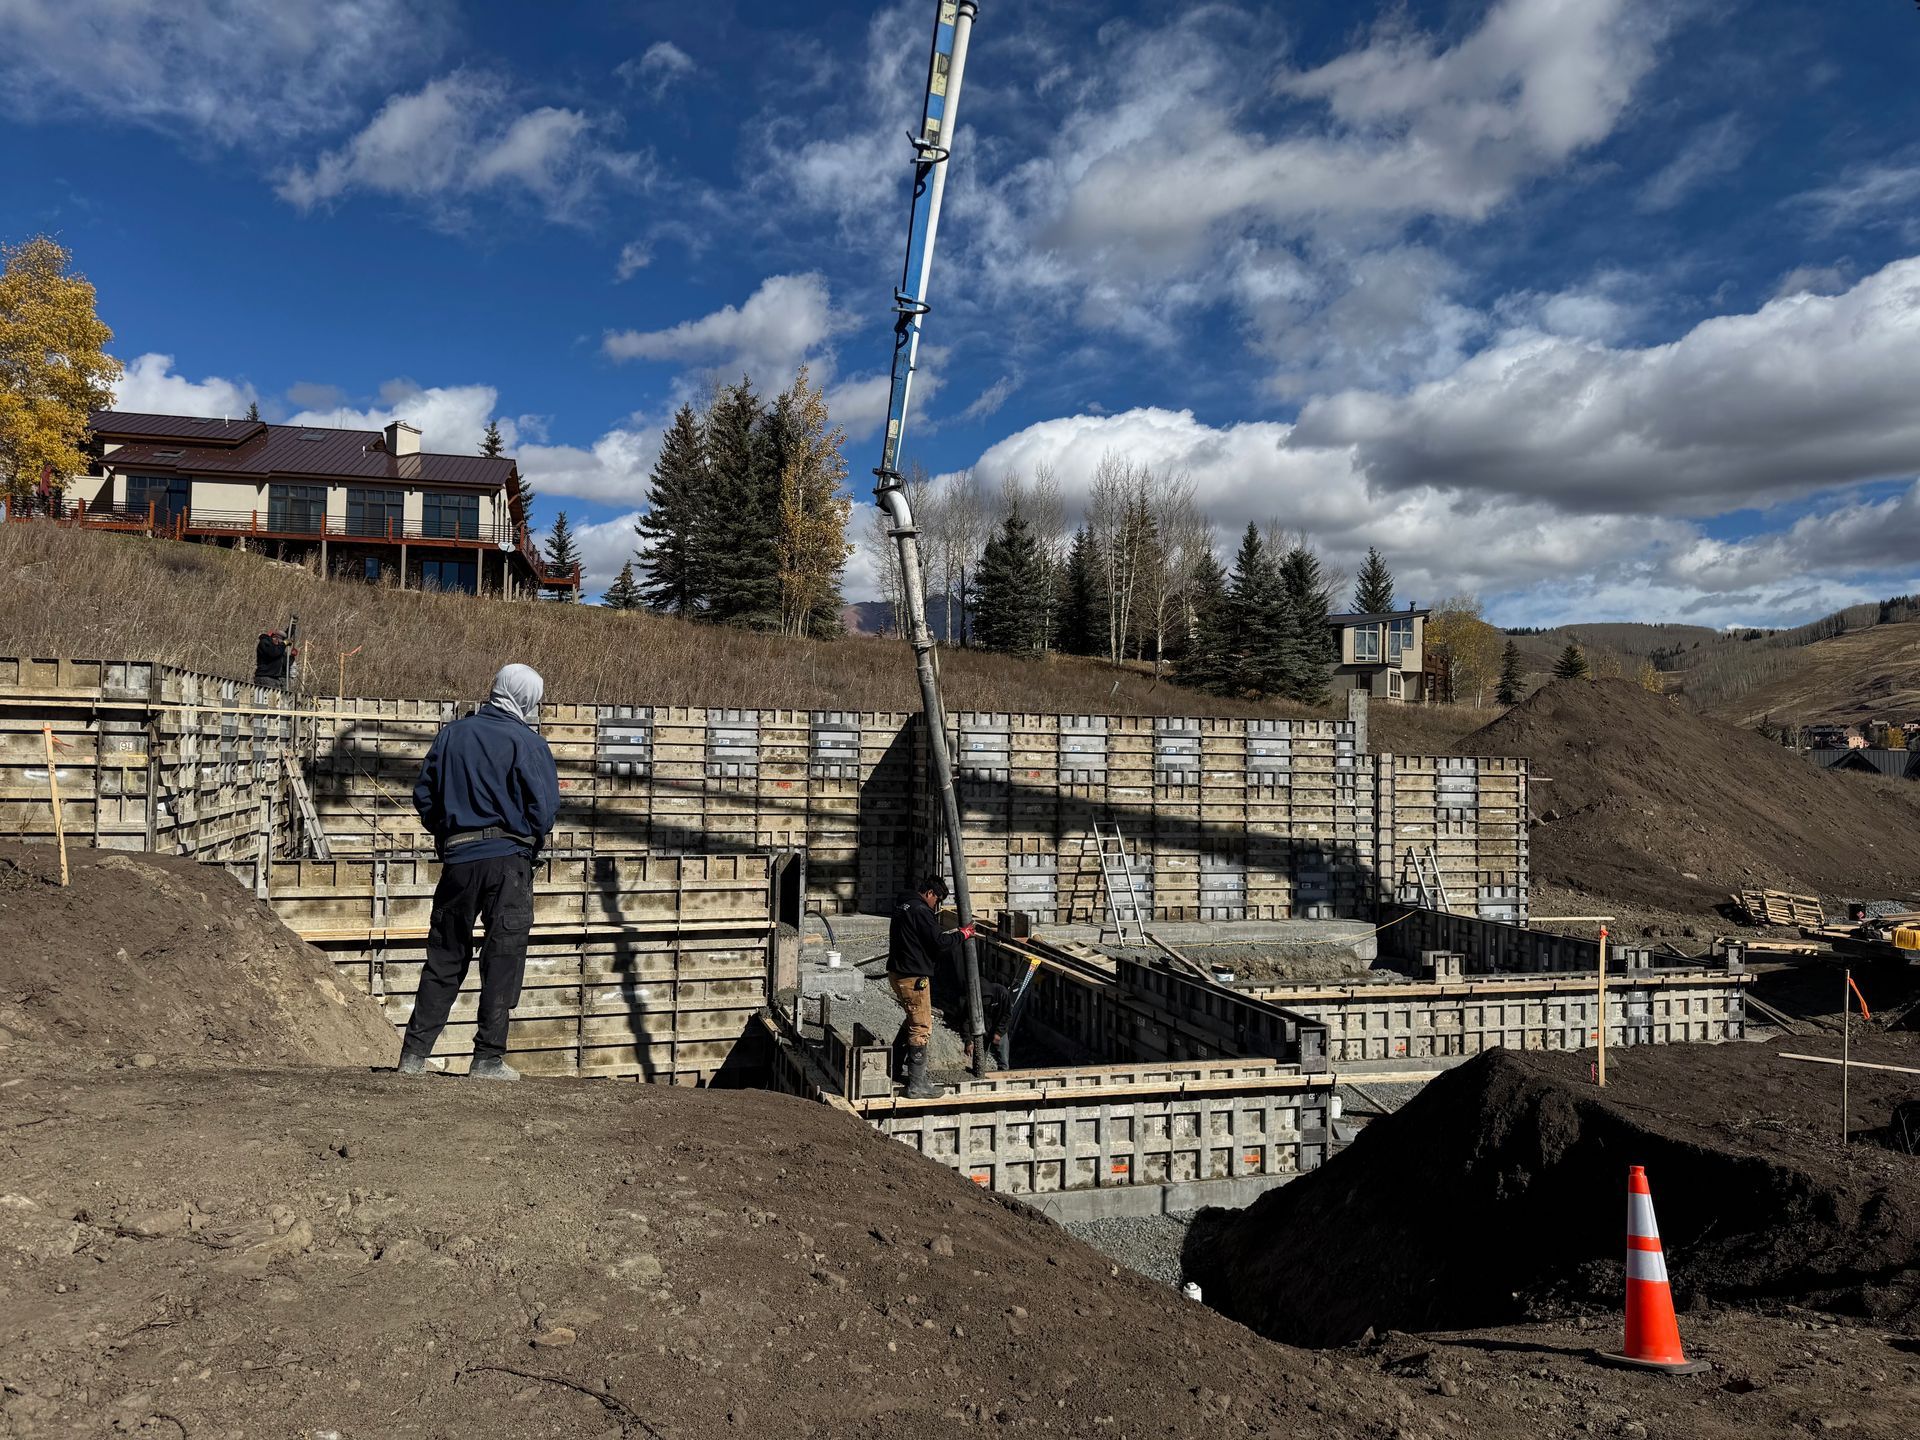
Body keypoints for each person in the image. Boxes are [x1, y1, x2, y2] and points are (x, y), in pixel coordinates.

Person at [397, 664, 560, 1082]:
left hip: (458, 861)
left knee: (445, 954)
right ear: (526, 698)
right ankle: (487, 1059)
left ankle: (413, 1056)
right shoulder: (528, 742)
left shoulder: (452, 734)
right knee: (503, 957)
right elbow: (543, 811)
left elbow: (424, 795)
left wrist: (450, 831)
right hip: (509, 863)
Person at [886, 874, 949, 1098]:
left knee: (912, 1018)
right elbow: (940, 942)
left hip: (898, 972)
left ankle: (893, 1066)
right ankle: (916, 1084)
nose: (936, 905)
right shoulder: (921, 911)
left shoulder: (903, 905)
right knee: (921, 1026)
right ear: (930, 894)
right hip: (913, 976)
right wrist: (962, 935)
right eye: (937, 900)